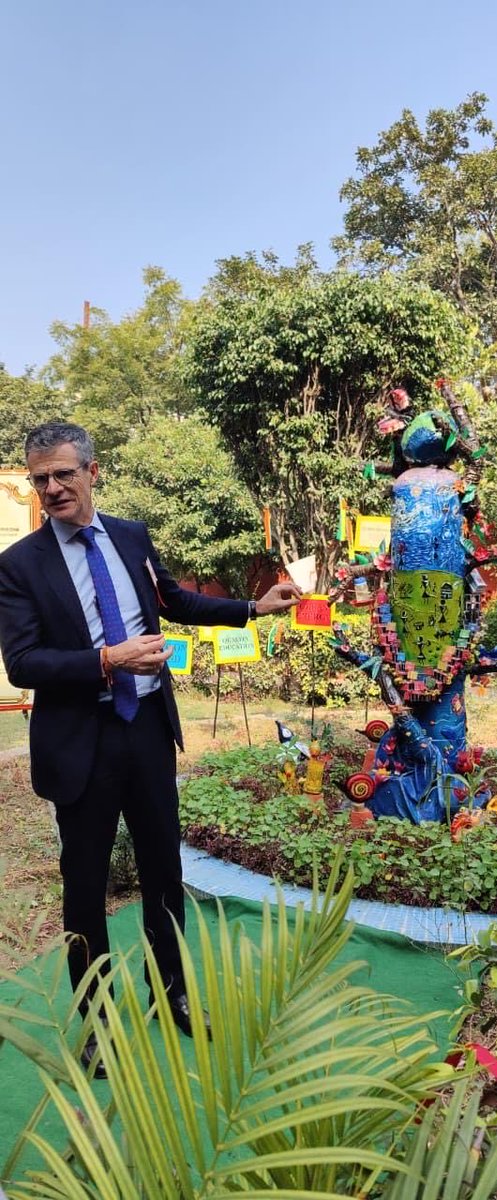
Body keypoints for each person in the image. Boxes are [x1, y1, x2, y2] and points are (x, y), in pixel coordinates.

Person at [0, 422, 301, 1077]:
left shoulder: (132, 537)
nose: (51, 488)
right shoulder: (19, 565)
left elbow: (176, 600)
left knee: (165, 872)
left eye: (63, 475)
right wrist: (105, 659)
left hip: (146, 732)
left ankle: (174, 996)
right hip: (80, 742)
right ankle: (99, 1026)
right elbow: (22, 663)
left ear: (92, 471)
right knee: (85, 892)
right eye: (40, 478)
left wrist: (255, 607)